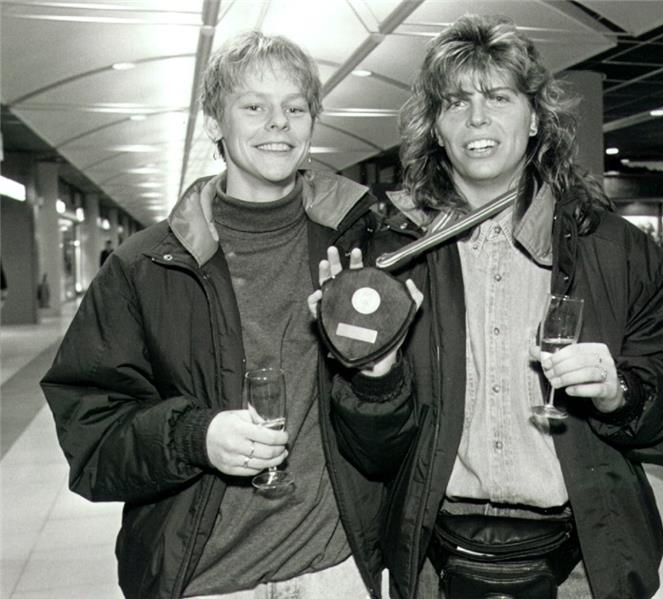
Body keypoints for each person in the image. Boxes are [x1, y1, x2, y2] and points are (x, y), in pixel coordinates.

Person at [315, 14, 663, 599]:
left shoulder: (612, 249)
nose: (478, 118)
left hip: (581, 563)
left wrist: (621, 394)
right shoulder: (394, 259)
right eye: (455, 102)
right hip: (441, 561)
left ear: (536, 117)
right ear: (436, 127)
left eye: (499, 97)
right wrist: (372, 373)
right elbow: (375, 452)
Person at [40, 31, 402, 599]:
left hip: (338, 570)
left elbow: (398, 429)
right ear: (215, 123)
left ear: (312, 123)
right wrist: (196, 436)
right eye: (253, 106)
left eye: (295, 107)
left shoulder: (363, 246)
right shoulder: (146, 266)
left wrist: (379, 378)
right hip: (207, 580)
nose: (277, 123)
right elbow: (90, 436)